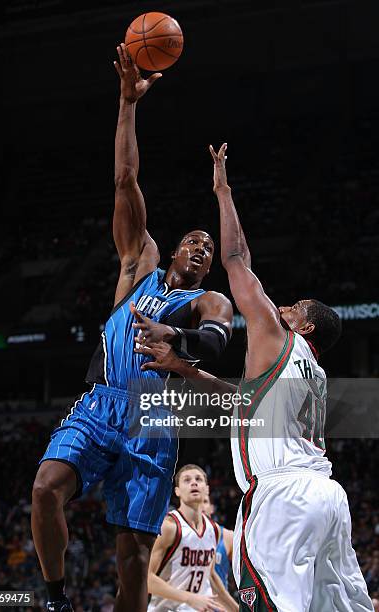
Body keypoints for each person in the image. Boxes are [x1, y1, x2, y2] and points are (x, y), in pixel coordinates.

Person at [30, 46, 233, 612]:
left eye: (209, 246)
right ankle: (55, 597)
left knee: (130, 567)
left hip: (153, 420)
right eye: (194, 239)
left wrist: (179, 344)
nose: (201, 247)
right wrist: (126, 104)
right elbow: (125, 179)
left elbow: (218, 337)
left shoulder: (205, 298)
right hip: (102, 403)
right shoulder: (135, 266)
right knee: (46, 489)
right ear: (172, 249)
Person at [135, 143, 374, 611]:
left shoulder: (273, 334)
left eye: (295, 307)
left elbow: (236, 258)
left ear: (303, 325)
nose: (283, 306)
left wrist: (223, 192)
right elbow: (242, 401)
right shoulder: (313, 372)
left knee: (264, 604)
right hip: (328, 498)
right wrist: (186, 369)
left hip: (283, 497)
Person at [148, 464, 238, 611]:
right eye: (187, 480)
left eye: (198, 479)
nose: (194, 483)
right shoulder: (169, 527)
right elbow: (147, 580)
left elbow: (210, 574)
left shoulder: (214, 530)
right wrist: (189, 598)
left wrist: (236, 609)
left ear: (207, 489)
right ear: (177, 491)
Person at [201, 495, 233, 591]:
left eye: (205, 501)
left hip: (219, 603)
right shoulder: (182, 534)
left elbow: (242, 574)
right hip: (191, 602)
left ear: (212, 508)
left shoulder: (228, 536)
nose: (201, 506)